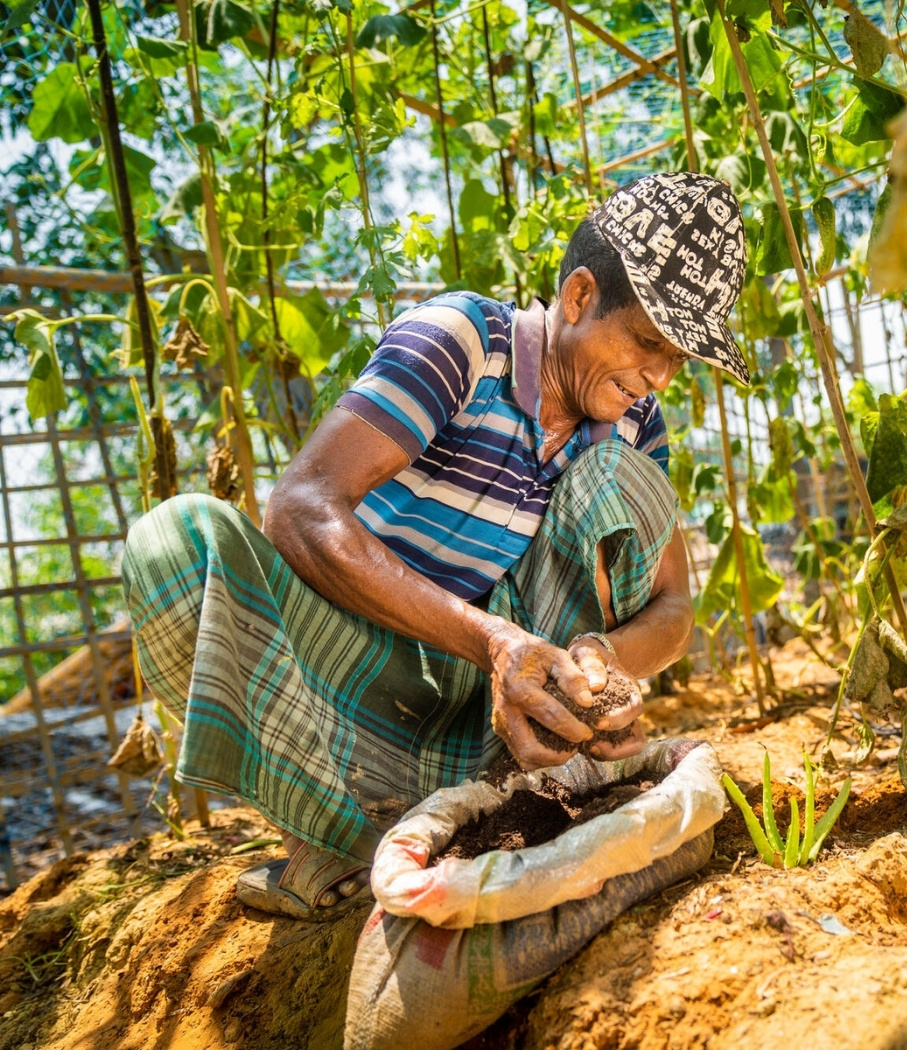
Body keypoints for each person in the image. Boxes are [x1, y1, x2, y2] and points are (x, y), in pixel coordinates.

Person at [121, 171, 749, 921]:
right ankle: (348, 829)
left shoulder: (634, 425)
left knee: (626, 475)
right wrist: (491, 640)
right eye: (649, 342)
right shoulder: (463, 343)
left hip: (488, 720)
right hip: (346, 685)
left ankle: (503, 797)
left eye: (678, 358)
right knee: (174, 544)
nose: (658, 376)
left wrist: (601, 664)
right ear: (578, 298)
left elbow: (676, 607)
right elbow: (300, 508)